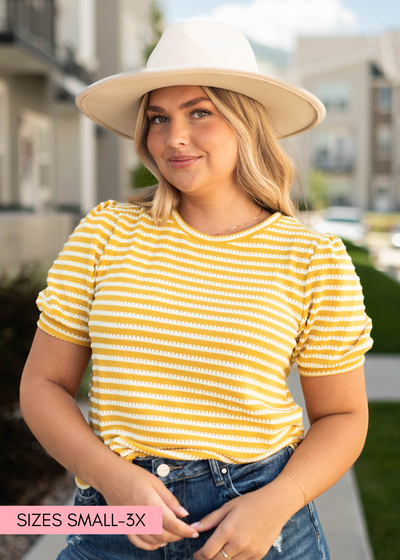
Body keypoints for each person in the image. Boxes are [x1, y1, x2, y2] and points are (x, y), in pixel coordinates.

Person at [20, 21, 373, 560]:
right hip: (115, 517)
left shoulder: (311, 258)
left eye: (199, 113)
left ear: (245, 123)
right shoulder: (106, 233)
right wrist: (112, 479)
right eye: (158, 118)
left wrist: (278, 502)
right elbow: (43, 384)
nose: (172, 137)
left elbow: (343, 418)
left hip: (258, 520)